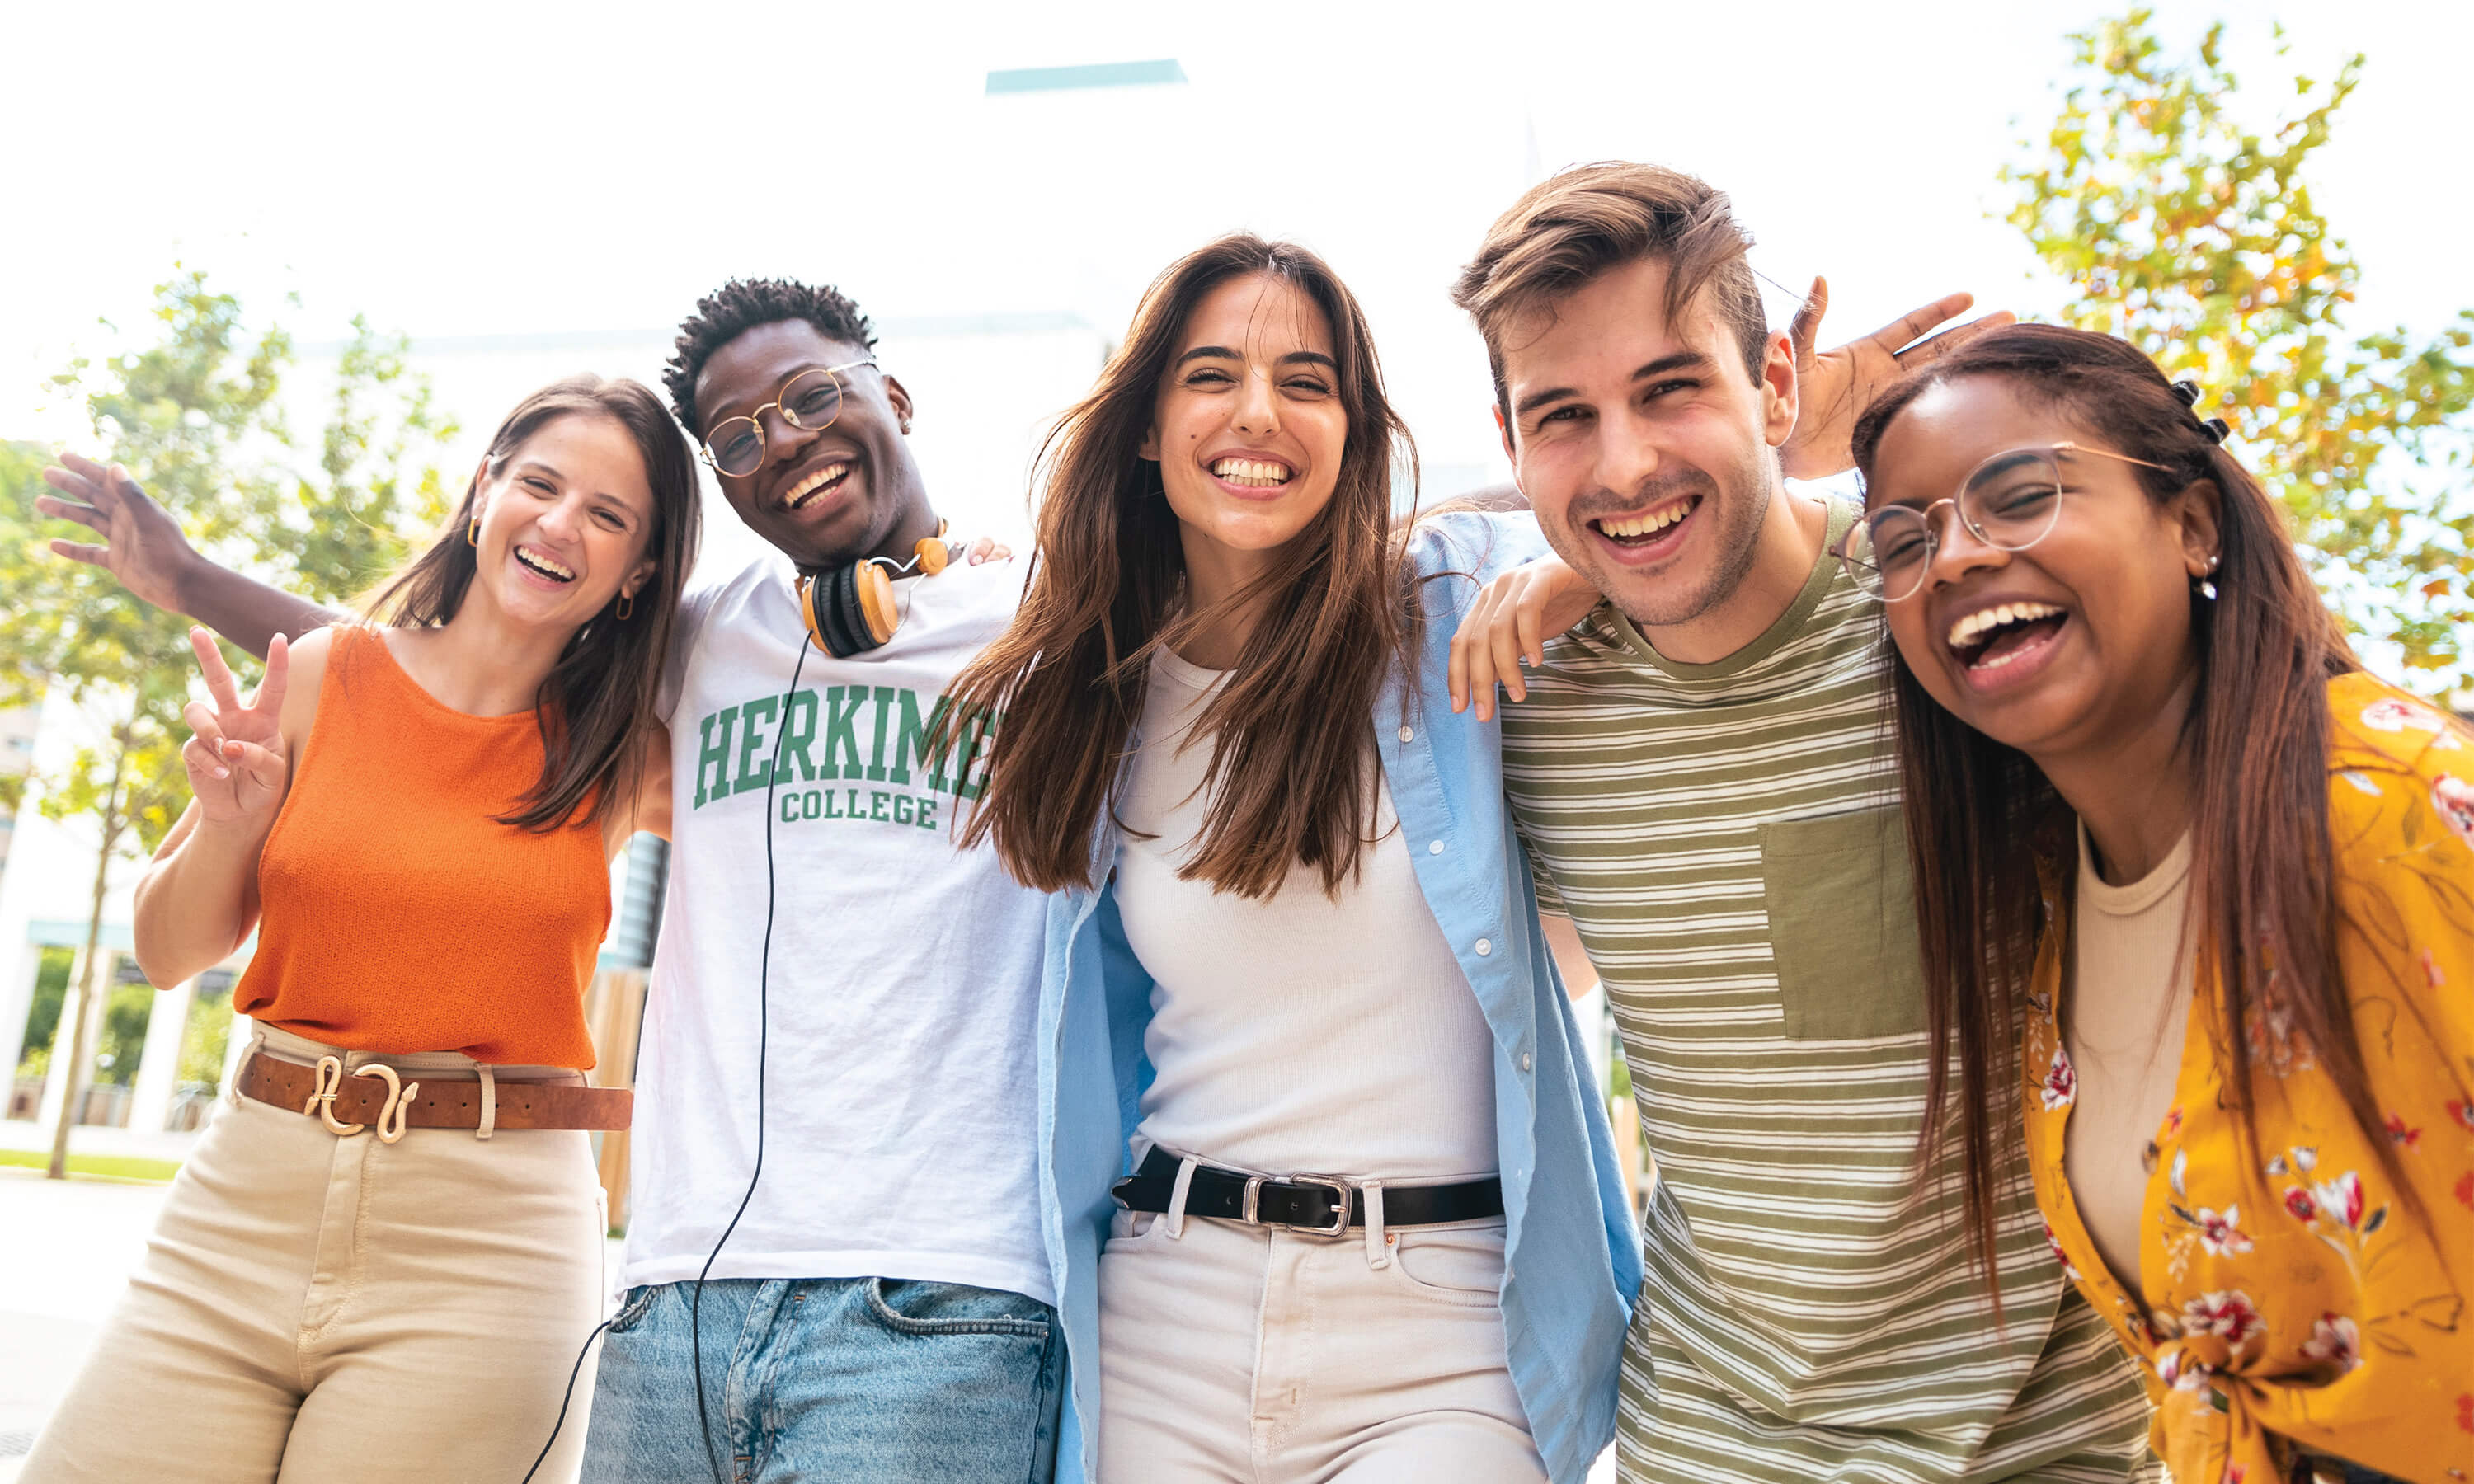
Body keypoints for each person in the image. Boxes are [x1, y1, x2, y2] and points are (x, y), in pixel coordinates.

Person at [35, 281, 1061, 1484]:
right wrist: (194, 593)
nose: (781, 440)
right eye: (736, 438)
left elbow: (482, 700)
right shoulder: (408, 674)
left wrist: (976, 573)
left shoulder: (1011, 632)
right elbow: (435, 691)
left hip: (617, 1245)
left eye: (612, 515)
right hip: (362, 1221)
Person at [1444, 163, 2157, 1482]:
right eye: (1564, 417)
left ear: (1778, 384)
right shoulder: (1521, 701)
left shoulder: (1940, 623)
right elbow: (1277, 560)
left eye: (1674, 388)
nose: (1626, 461)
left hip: (2048, 1447)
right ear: (1509, 440)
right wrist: (1554, 548)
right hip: (1707, 1445)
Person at [945, 233, 1639, 1483]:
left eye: (1308, 382)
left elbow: (1646, 518)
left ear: (1354, 429)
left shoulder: (1447, 611)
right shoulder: (1091, 693)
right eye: (1212, 375)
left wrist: (1578, 575)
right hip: (1170, 1306)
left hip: (1442, 1322)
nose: (1258, 412)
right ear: (1149, 425)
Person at [21, 375, 697, 1482]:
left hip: (488, 1247)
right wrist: (232, 828)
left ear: (642, 571)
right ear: (484, 492)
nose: (561, 524)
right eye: (540, 483)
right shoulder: (328, 673)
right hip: (244, 1203)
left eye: (610, 515)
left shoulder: (628, 751)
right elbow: (166, 949)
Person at [1841, 322, 2472, 1484]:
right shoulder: (2051, 898)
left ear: (2191, 524)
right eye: (1902, 541)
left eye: (2020, 496)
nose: (1960, 559)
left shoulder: (2393, 812)